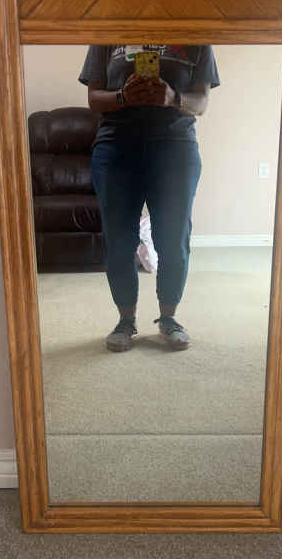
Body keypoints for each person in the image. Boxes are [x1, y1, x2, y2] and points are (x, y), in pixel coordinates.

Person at [78, 44, 220, 352]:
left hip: (175, 146)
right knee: (118, 240)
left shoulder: (196, 34)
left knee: (173, 238)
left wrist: (173, 98)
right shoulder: (106, 33)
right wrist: (123, 97)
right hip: (116, 147)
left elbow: (202, 101)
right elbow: (93, 98)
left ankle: (169, 319)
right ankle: (125, 321)